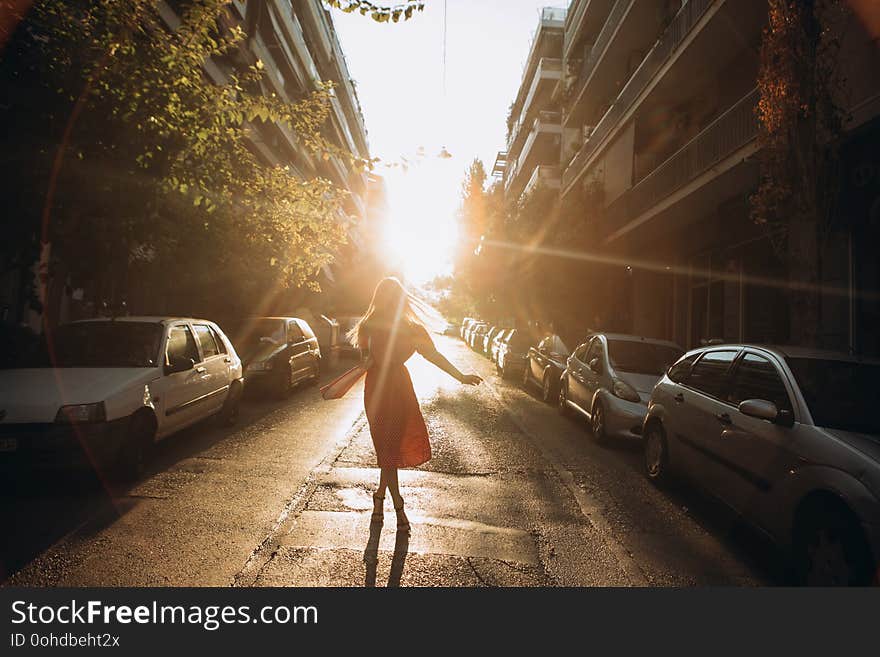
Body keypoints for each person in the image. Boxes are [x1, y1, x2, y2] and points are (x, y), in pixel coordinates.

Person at [348, 277, 482, 533]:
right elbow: (364, 356)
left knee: (391, 448)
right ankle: (389, 501)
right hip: (376, 389)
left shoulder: (412, 328)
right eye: (385, 295)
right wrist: (366, 361)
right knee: (384, 448)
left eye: (393, 296)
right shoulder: (368, 325)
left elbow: (433, 356)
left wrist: (460, 376)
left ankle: (387, 501)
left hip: (399, 390)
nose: (389, 301)